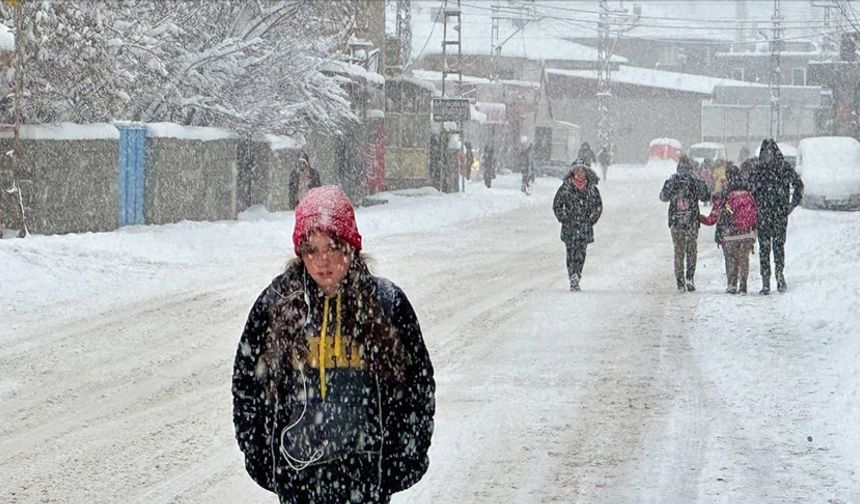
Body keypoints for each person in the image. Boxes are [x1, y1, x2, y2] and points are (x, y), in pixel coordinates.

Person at [232, 186, 436, 504]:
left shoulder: (385, 303)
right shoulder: (277, 304)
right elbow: (247, 381)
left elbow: (417, 385)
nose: (322, 261)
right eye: (311, 249)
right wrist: (258, 453)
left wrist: (407, 453)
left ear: (351, 247)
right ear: (300, 253)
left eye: (333, 247)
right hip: (298, 477)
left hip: (365, 477)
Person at [751, 139, 804, 294]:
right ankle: (779, 278)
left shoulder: (759, 169)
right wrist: (791, 205)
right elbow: (798, 185)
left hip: (764, 215)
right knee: (778, 247)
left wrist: (755, 207)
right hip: (779, 214)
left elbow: (751, 190)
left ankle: (766, 282)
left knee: (765, 248)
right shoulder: (783, 167)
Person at [699, 163, 758, 294]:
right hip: (747, 232)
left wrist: (699, 218)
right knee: (744, 259)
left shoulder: (723, 194)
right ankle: (743, 285)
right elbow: (755, 213)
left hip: (729, 233)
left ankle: (732, 284)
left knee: (730, 258)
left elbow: (713, 218)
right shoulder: (748, 191)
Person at [660, 155, 711, 292]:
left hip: (676, 222)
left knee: (678, 251)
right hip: (691, 221)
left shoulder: (673, 180)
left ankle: (680, 281)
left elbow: (663, 196)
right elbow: (706, 195)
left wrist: (672, 188)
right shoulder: (694, 180)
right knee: (691, 251)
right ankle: (690, 277)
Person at [553, 163, 603, 291]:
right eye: (577, 171)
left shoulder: (591, 189)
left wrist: (592, 218)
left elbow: (598, 206)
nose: (580, 174)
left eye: (582, 171)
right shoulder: (566, 188)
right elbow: (557, 205)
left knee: (581, 252)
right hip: (569, 227)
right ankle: (572, 275)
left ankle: (578, 273)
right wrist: (564, 217)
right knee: (571, 253)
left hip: (584, 227)